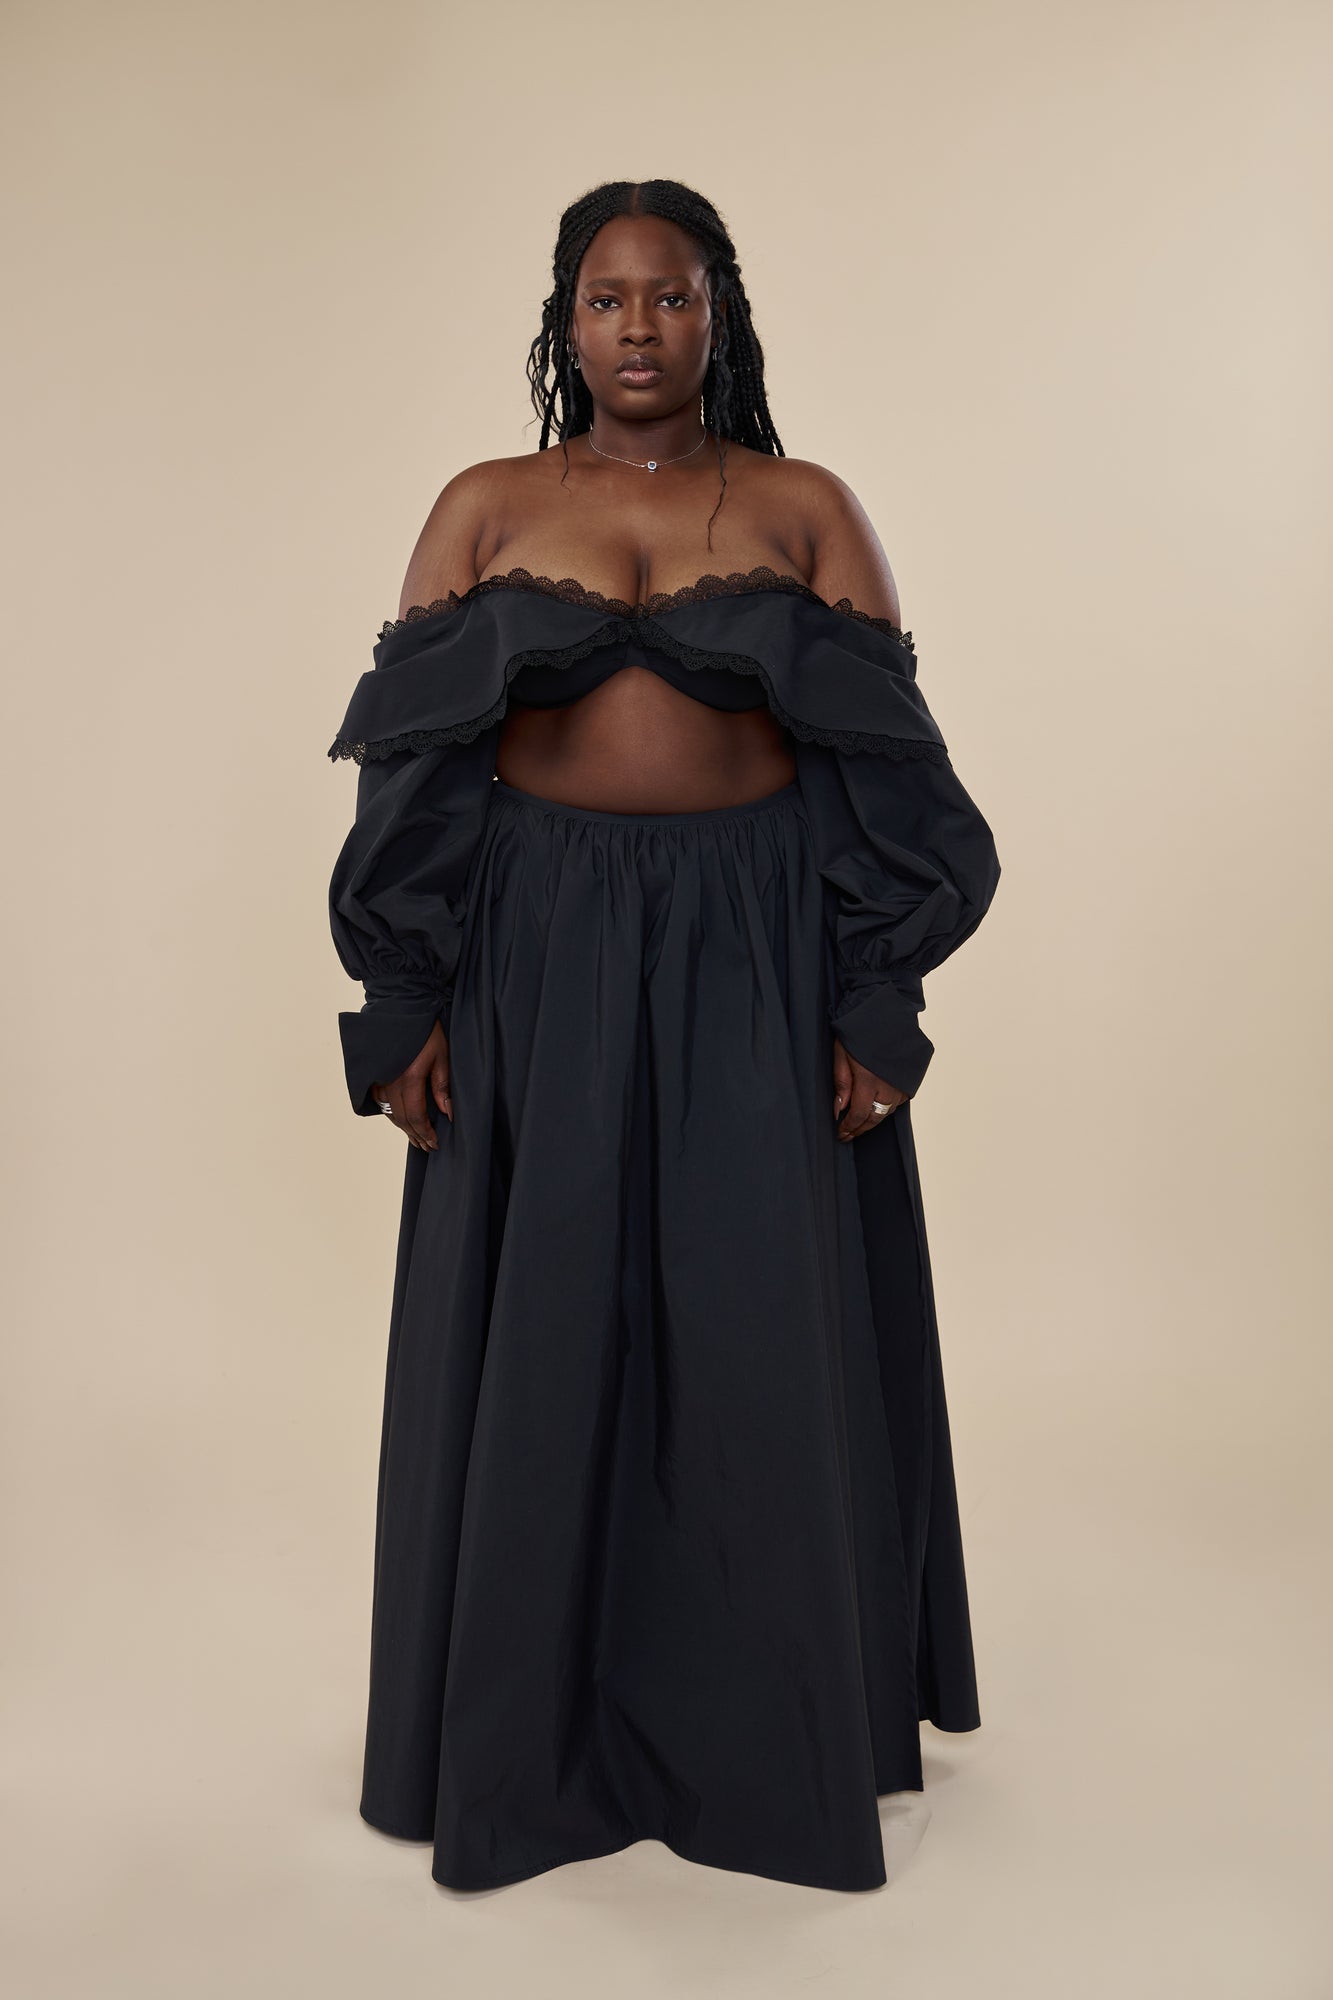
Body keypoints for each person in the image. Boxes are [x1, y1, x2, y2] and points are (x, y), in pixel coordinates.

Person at [326, 178, 1002, 1895]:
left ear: (721, 313)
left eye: (673, 296)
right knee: (542, 1325)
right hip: (534, 949)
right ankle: (527, 1740)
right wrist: (403, 996)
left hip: (752, 946)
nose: (640, 327)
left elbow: (891, 776)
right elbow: (414, 773)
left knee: (756, 1323)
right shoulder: (483, 505)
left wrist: (875, 999)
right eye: (608, 298)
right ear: (565, 320)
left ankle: (773, 1737)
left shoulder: (802, 505)